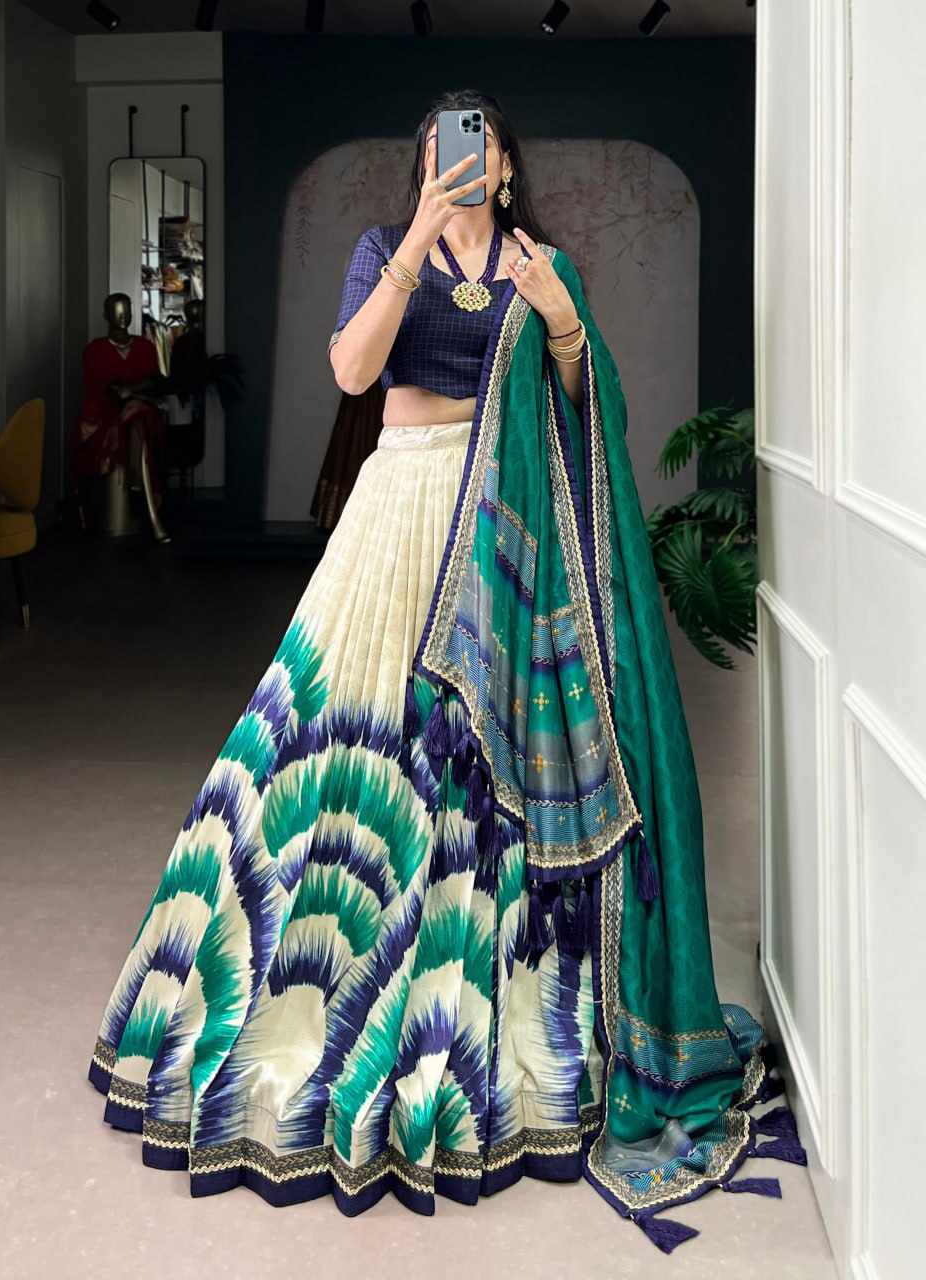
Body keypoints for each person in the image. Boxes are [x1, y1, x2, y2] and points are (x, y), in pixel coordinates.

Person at [86, 90, 803, 1252]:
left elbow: (589, 409)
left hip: (507, 533)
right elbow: (353, 373)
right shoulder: (386, 249)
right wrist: (417, 238)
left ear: (507, 167)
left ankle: (494, 1008)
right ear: (424, 172)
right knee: (345, 745)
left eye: (476, 150)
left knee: (488, 763)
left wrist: (562, 323)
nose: (460, 165)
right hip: (401, 509)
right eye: (437, 154)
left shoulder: (540, 264)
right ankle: (316, 984)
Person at [72, 293, 170, 542]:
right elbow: (103, 389)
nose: (123, 315)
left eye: (127, 310)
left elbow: (156, 382)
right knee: (132, 418)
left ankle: (140, 488)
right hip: (105, 412)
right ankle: (145, 503)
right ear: (106, 315)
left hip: (142, 410)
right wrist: (129, 392)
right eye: (116, 310)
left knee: (137, 415)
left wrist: (132, 391)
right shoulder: (95, 350)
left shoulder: (145, 347)